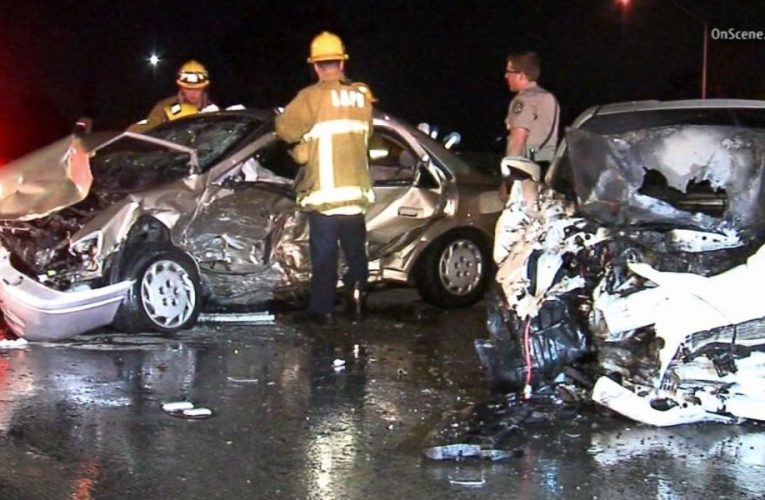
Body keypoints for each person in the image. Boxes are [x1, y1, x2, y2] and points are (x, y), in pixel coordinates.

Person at [275, 31, 375, 326]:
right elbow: (366, 135)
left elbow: (284, 130)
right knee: (356, 252)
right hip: (356, 194)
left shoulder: (311, 97)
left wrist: (303, 143)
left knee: (325, 256)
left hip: (327, 196)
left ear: (317, 66)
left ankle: (322, 310)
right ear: (342, 64)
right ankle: (358, 296)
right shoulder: (360, 97)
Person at [500, 51, 559, 202]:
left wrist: (508, 180)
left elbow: (518, 138)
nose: (506, 76)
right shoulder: (547, 97)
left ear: (521, 75)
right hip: (547, 170)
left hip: (526, 172)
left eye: (509, 72)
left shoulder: (525, 99)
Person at [128, 60, 218, 132]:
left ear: (204, 88)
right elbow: (137, 130)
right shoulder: (164, 108)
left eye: (197, 89)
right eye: (188, 89)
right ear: (181, 87)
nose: (192, 93)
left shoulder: (214, 111)